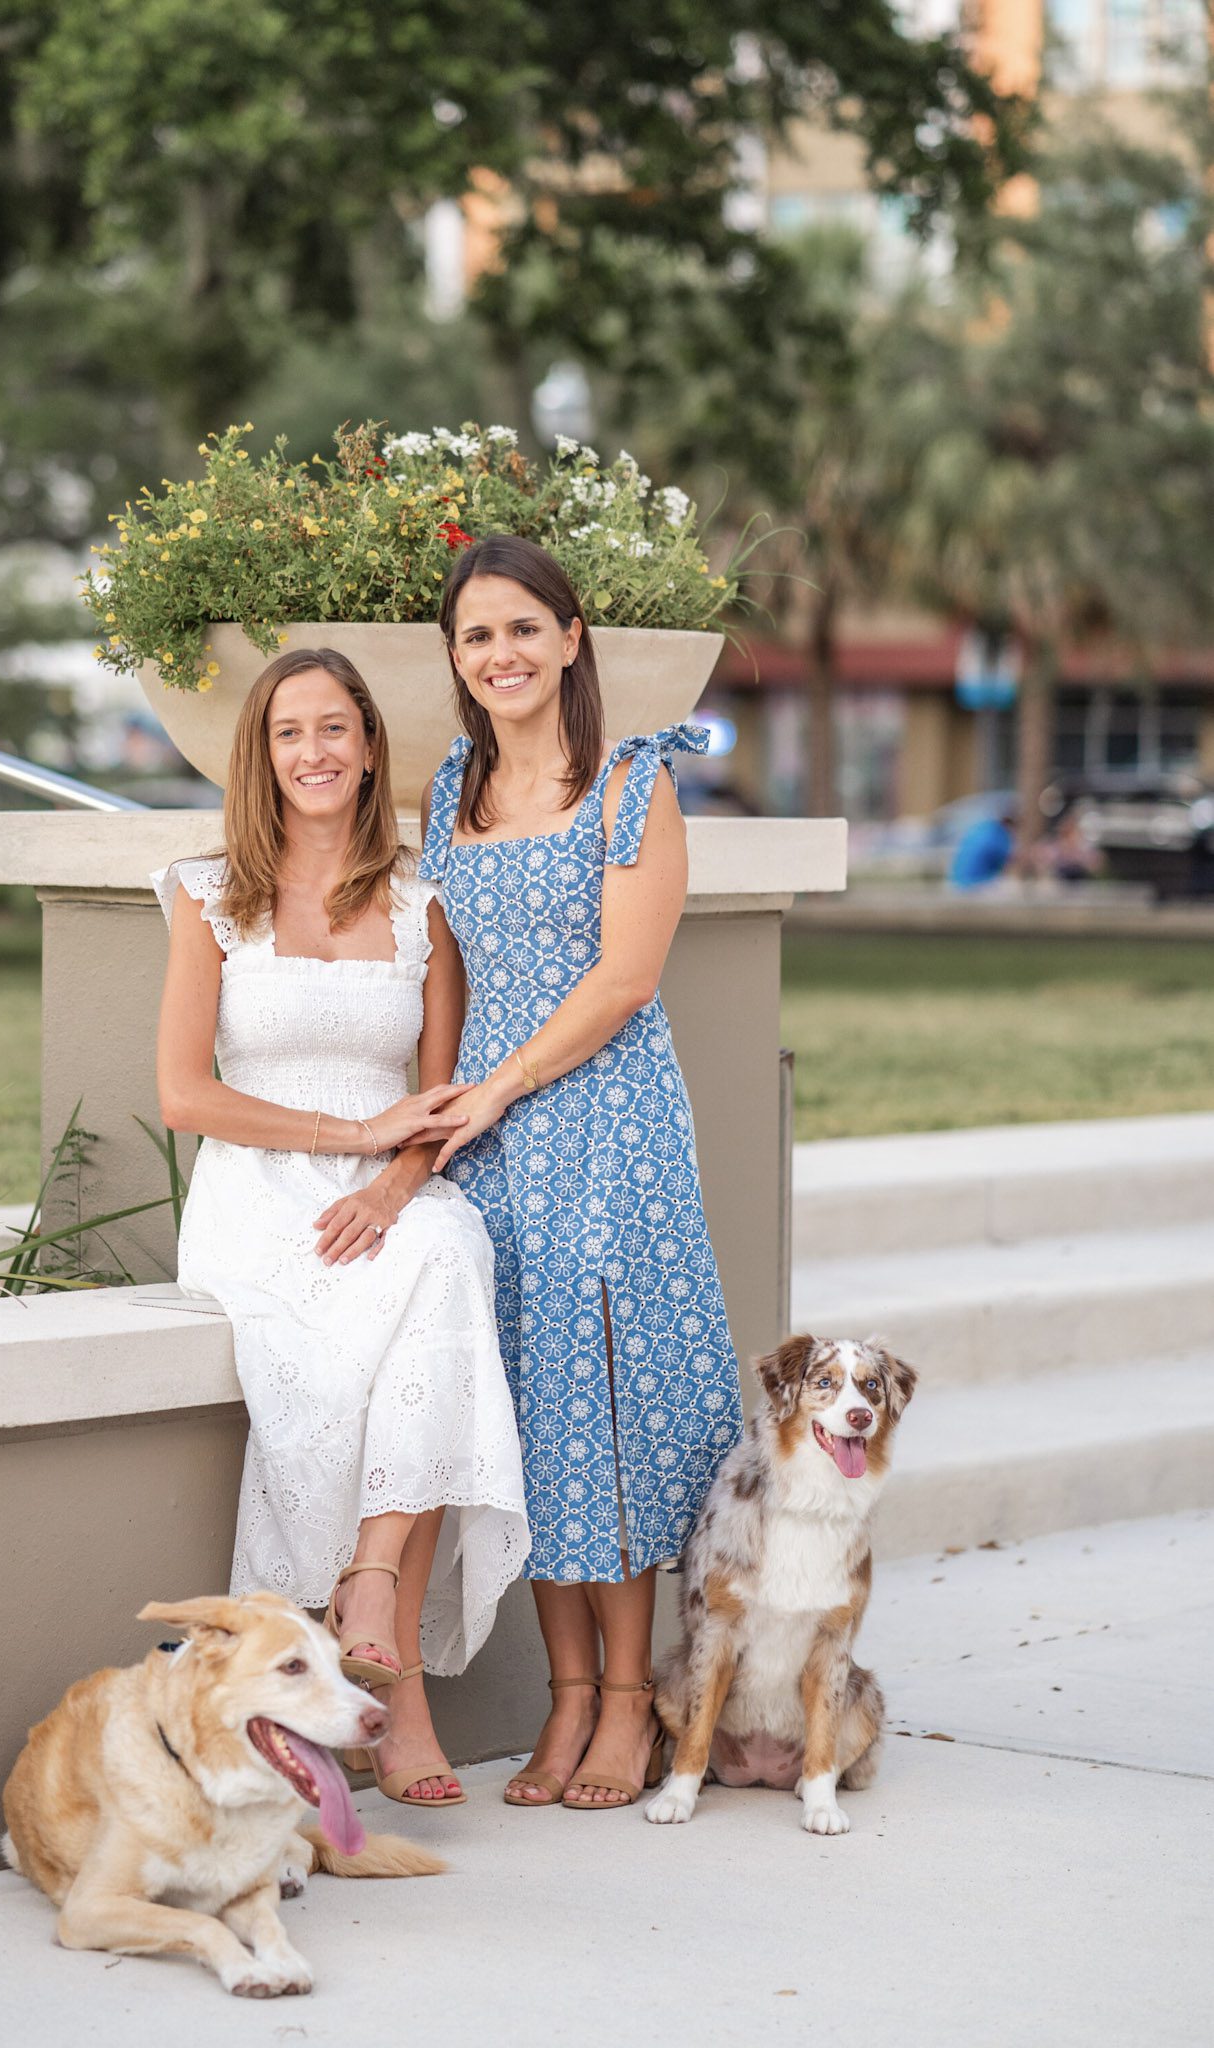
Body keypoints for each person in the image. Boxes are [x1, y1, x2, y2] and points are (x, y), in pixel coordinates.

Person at [154, 645, 531, 1806]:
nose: (313, 752)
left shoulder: (425, 908)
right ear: (261, 757)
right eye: (288, 733)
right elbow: (185, 1093)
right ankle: (398, 1683)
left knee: (445, 1250)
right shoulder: (206, 893)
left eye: (334, 729)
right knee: (432, 1280)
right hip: (257, 1200)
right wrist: (351, 1142)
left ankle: (372, 1602)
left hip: (384, 1194)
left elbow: (439, 1101)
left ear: (369, 746)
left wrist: (394, 1175)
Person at [418, 535, 742, 1810]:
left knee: (608, 1405)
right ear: (457, 659)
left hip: (605, 1123)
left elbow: (624, 979)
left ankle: (628, 1702)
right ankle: (563, 1700)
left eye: (520, 629)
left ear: (571, 636)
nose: (500, 654)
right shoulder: (451, 788)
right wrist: (437, 1107)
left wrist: (496, 1084)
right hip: (489, 1140)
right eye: (475, 636)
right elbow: (445, 964)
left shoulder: (631, 783)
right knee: (529, 1409)